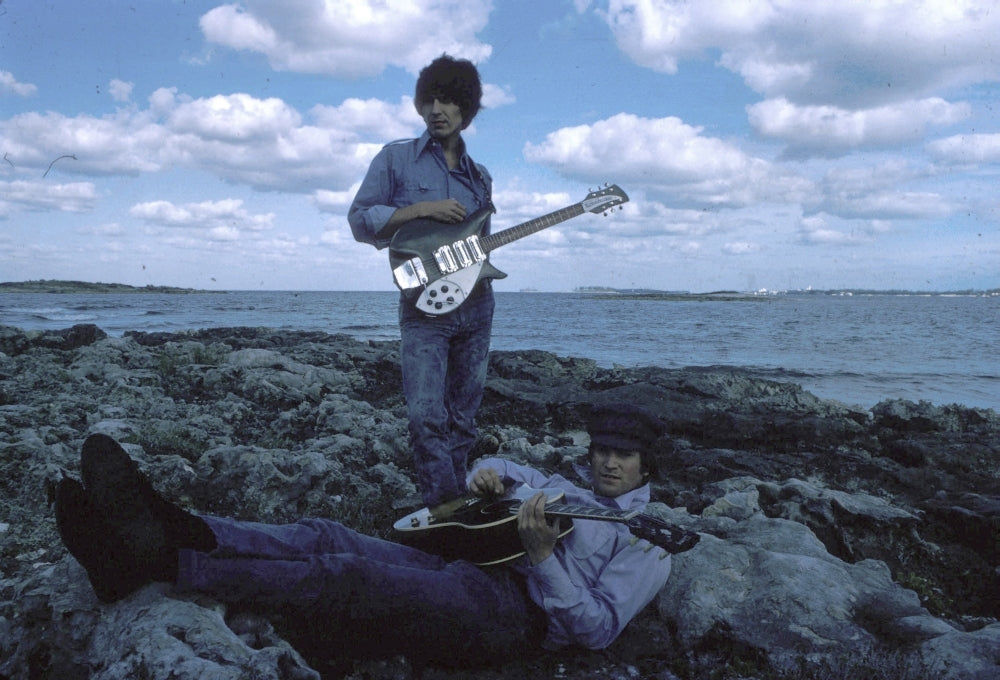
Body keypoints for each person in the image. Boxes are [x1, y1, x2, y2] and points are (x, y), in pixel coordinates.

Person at [54, 405, 675, 668]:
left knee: (346, 576)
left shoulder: (646, 541)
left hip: (517, 621)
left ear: (648, 467)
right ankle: (177, 525)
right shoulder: (571, 490)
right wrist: (491, 475)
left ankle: (159, 562)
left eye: (624, 457)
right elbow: (514, 471)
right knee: (325, 532)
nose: (609, 465)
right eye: (602, 452)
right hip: (475, 570)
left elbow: (595, 632)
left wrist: (544, 560)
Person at [347, 54, 495, 510]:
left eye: (449, 100)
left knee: (464, 418)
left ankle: (450, 504)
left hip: (476, 305)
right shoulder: (396, 159)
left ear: (466, 110)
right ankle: (444, 503)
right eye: (429, 99)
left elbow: (478, 249)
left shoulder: (480, 178)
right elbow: (359, 220)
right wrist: (419, 211)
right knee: (425, 415)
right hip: (422, 307)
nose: (437, 109)